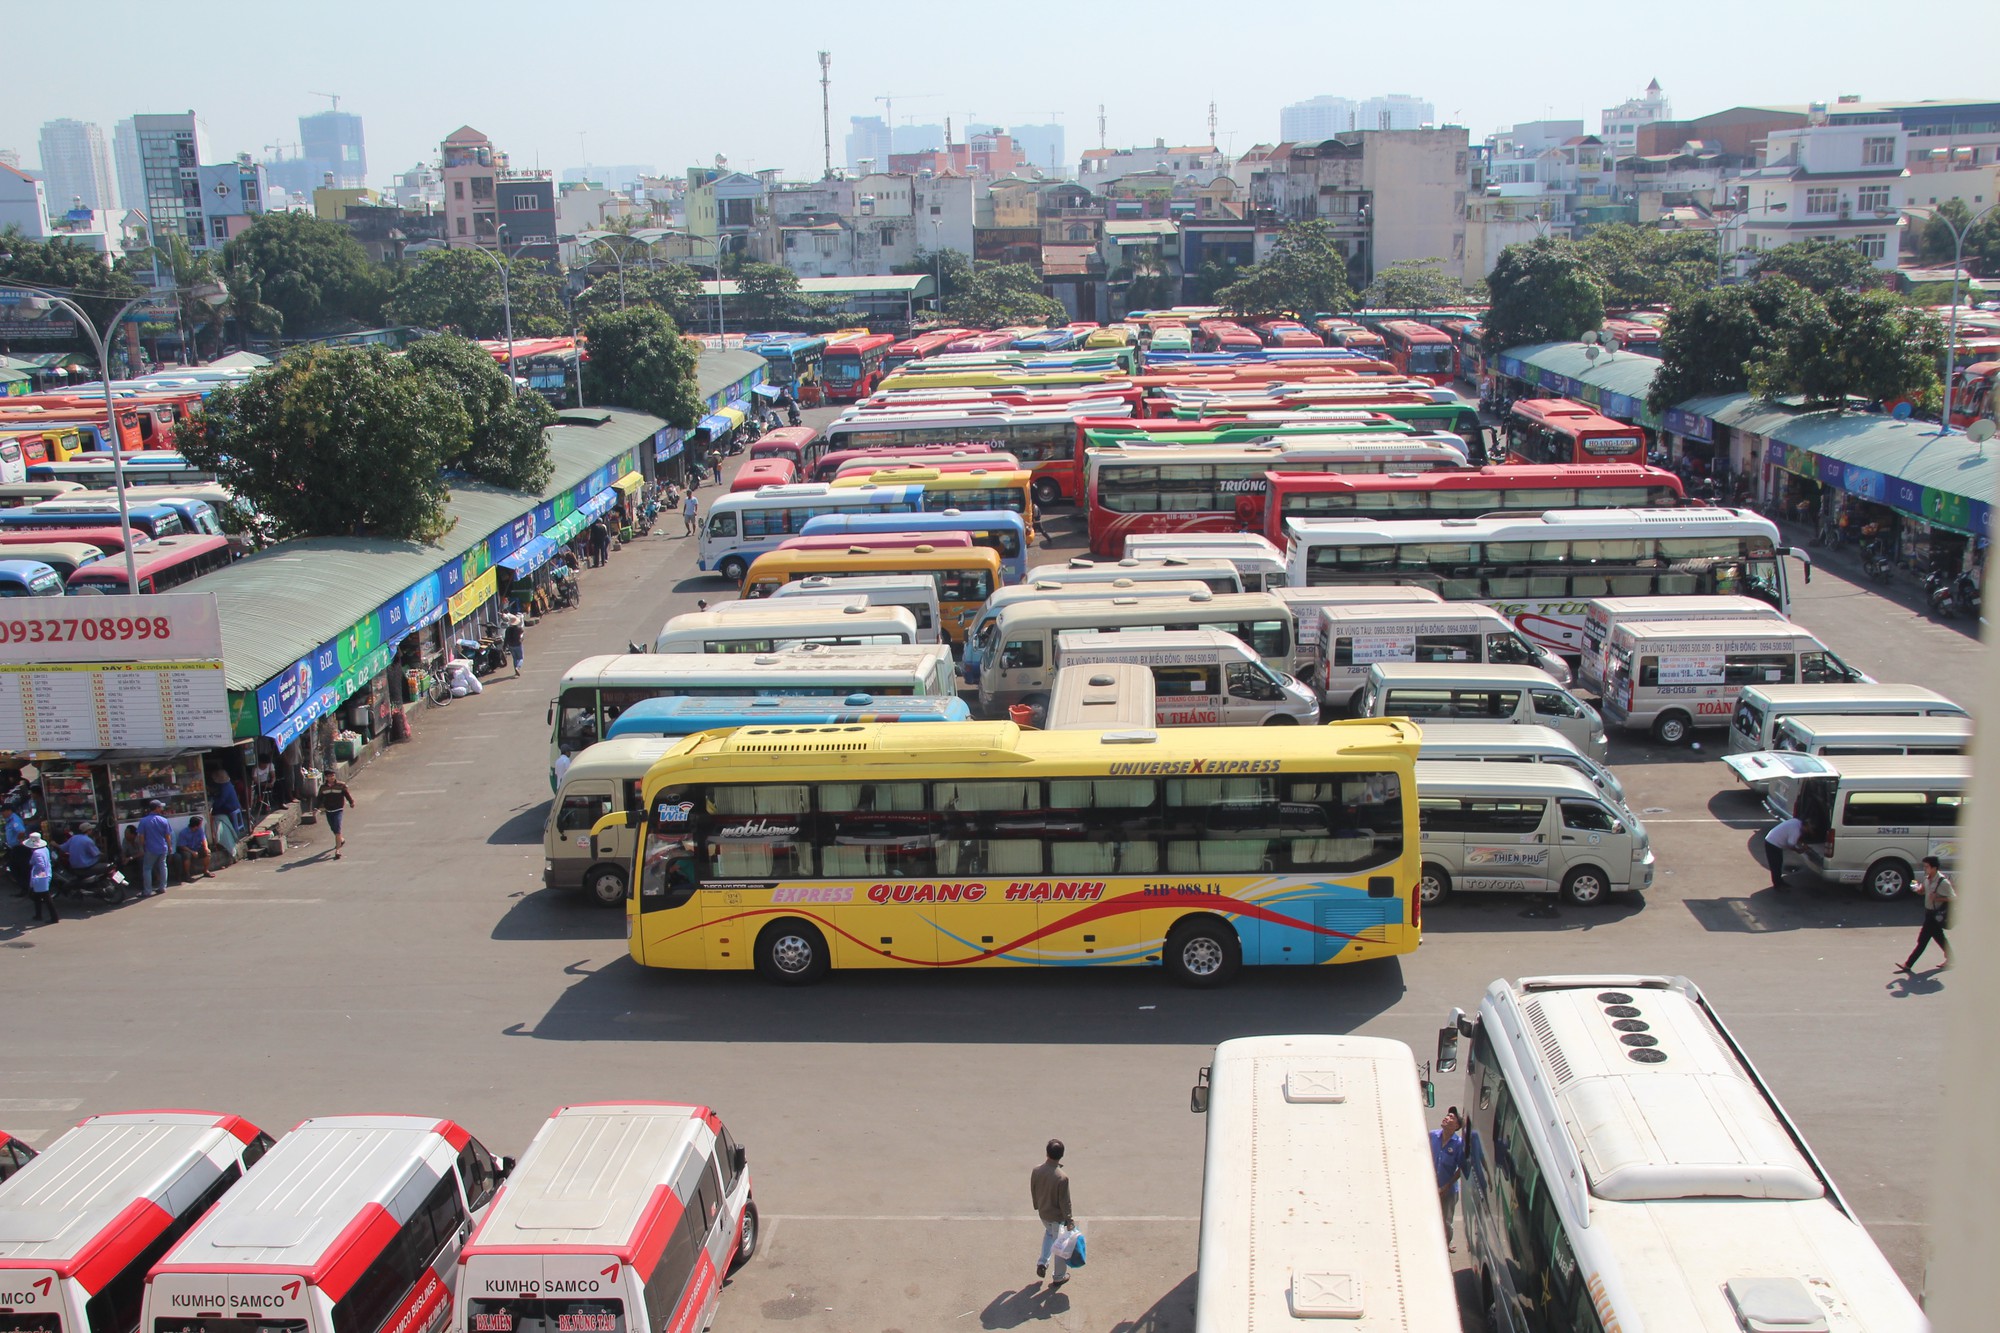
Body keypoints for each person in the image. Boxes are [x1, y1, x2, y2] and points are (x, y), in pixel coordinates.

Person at [1030, 1138, 1075, 1289]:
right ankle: (1059, 1277)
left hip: (1043, 1213)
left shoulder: (1037, 1170)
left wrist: (1037, 1206)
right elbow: (1065, 1202)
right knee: (1061, 1247)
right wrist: (1069, 1220)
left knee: (1049, 1234)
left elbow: (1034, 1190)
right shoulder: (1062, 1178)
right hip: (1057, 1217)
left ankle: (1043, 1262)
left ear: (1046, 1152)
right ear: (1061, 1155)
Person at [1899, 856, 1955, 974]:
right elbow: (1923, 890)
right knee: (1939, 937)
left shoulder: (1942, 882)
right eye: (1924, 866)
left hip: (1935, 915)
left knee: (1922, 940)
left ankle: (1908, 964)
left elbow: (1953, 898)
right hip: (1928, 913)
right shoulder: (1927, 878)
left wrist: (1938, 898)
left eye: (1927, 866)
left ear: (1934, 868)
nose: (1925, 869)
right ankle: (1951, 958)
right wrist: (1918, 889)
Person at [1430, 1107, 1468, 1253]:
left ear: (1457, 1126)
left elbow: (1460, 1169)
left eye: (1451, 1117)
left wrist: (1446, 1187)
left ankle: (1446, 1245)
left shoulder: (1458, 1144)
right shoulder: (1432, 1136)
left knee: (1446, 1221)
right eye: (1447, 1115)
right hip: (1430, 1187)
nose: (1447, 1117)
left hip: (1448, 1191)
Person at [137, 800, 173, 897]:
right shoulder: (164, 820)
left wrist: (141, 847)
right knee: (163, 866)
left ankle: (147, 891)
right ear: (156, 808)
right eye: (160, 807)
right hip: (163, 847)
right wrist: (170, 846)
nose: (162, 808)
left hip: (151, 848)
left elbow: (141, 837)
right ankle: (162, 887)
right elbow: (168, 836)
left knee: (147, 868)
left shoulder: (144, 821)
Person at [317, 773, 356, 859]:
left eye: (332, 776)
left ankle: (337, 850)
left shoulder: (341, 785)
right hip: (328, 811)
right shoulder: (323, 787)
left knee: (338, 829)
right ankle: (341, 840)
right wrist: (315, 808)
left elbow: (347, 794)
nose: (331, 778)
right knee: (333, 828)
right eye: (329, 776)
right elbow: (319, 798)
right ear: (326, 777)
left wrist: (351, 802)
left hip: (338, 810)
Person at [1762, 814, 1803, 892]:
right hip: (1772, 843)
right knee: (1775, 865)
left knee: (1779, 863)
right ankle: (1777, 885)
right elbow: (1791, 844)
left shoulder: (1796, 822)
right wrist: (1798, 850)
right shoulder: (1797, 830)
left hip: (1772, 840)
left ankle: (1780, 882)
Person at [25, 831, 55, 924]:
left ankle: (54, 917)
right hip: (46, 874)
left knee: (46, 897)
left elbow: (40, 865)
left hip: (40, 877)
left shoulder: (36, 853)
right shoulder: (45, 849)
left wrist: (33, 865)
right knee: (37, 896)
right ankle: (38, 915)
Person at [173, 816, 212, 882]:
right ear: (195, 825)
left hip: (197, 847)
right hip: (187, 849)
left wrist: (206, 848)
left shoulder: (199, 830)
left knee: (207, 852)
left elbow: (203, 839)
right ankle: (187, 875)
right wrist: (192, 852)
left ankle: (206, 871)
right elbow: (182, 846)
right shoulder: (183, 833)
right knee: (187, 856)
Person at [208, 770, 244, 838]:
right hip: (234, 807)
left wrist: (213, 805)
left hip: (230, 809)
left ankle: (217, 833)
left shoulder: (225, 787)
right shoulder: (228, 784)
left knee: (214, 813)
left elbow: (221, 801)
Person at [3, 802, 28, 894]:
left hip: (19, 848)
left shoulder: (14, 820)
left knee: (18, 868)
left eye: (3, 812)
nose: (2, 814)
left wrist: (18, 840)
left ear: (9, 811)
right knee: (17, 868)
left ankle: (25, 888)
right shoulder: (10, 820)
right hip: (15, 848)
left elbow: (21, 831)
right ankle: (24, 888)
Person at [503, 613, 525, 677]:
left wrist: (504, 647)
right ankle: (518, 667)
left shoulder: (508, 630)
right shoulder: (519, 629)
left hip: (511, 645)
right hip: (518, 644)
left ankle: (516, 672)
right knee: (520, 658)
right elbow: (522, 637)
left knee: (515, 658)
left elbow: (506, 639)